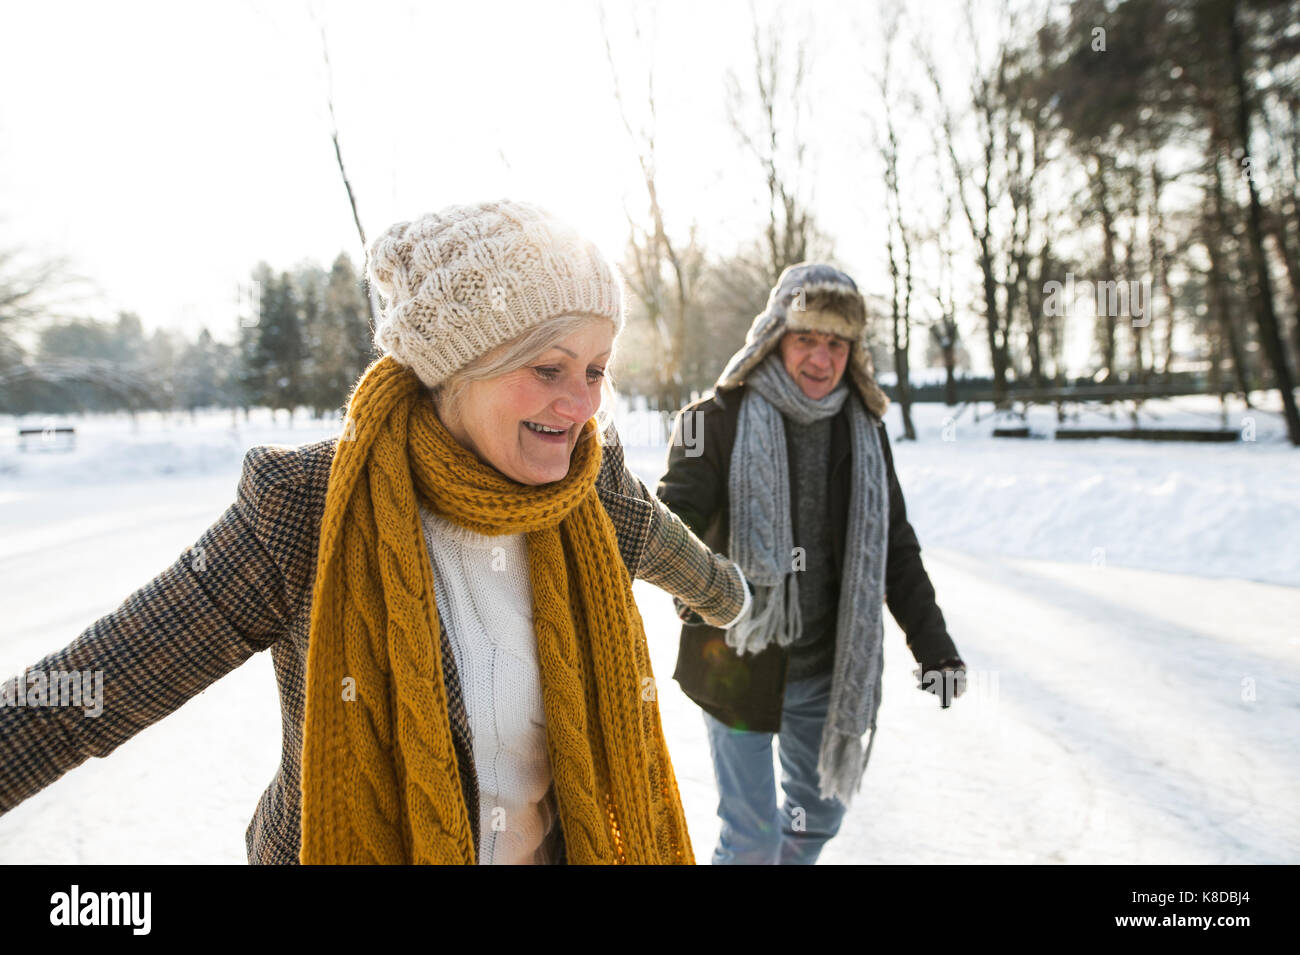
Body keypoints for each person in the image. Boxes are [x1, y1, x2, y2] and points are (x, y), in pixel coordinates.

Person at [0, 199, 753, 865]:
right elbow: (95, 685)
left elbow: (677, 555)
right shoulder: (307, 507)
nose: (582, 404)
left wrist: (728, 598)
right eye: (549, 368)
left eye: (595, 369)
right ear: (454, 368)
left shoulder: (591, 490)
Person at [655, 262, 966, 865]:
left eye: (836, 344)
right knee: (750, 840)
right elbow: (676, 520)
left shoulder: (864, 429)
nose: (821, 360)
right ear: (775, 336)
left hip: (827, 669)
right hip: (735, 660)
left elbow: (894, 545)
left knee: (816, 816)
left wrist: (935, 647)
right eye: (806, 339)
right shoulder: (713, 421)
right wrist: (694, 590)